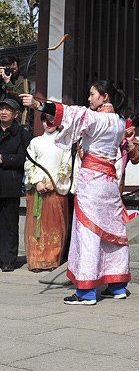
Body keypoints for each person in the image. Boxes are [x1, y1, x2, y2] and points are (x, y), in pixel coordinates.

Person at [20, 80, 130, 305]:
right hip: (109, 182)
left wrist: (37, 104)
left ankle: (86, 291)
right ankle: (117, 286)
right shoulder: (119, 121)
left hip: (92, 181)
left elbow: (66, 112)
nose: (89, 99)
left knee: (87, 232)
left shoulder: (95, 118)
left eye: (92, 95)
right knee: (112, 231)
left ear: (104, 97)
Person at [24, 113, 72, 271]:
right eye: (45, 120)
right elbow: (28, 164)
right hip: (37, 189)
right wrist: (36, 182)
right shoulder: (35, 142)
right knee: (36, 226)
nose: (49, 123)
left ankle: (52, 260)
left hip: (55, 190)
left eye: (52, 119)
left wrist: (54, 183)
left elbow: (66, 166)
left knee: (54, 227)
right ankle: (36, 261)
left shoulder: (64, 141)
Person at [0, 97, 31, 272]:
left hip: (10, 183)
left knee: (10, 225)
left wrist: (4, 158)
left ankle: (8, 259)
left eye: (8, 110)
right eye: (2, 109)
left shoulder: (21, 133)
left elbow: (24, 158)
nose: (3, 112)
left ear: (16, 114)